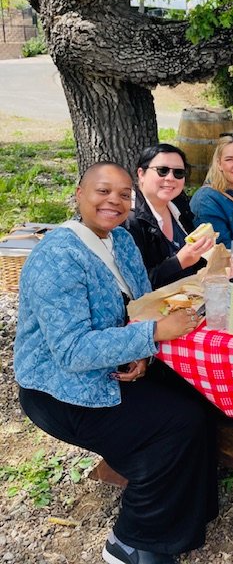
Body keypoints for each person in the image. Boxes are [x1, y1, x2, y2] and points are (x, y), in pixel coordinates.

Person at [14, 162, 218, 564]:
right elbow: (71, 351)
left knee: (203, 399)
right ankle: (130, 542)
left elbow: (140, 309)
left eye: (124, 194)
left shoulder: (121, 241)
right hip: (59, 389)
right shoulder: (57, 256)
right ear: (78, 194)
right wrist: (152, 336)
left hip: (113, 368)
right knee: (175, 426)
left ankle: (182, 517)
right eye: (103, 191)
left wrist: (139, 352)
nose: (115, 201)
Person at [126, 144, 213, 288]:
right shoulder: (129, 221)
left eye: (178, 173)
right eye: (162, 171)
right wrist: (179, 262)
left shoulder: (179, 204)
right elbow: (137, 284)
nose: (171, 178)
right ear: (141, 174)